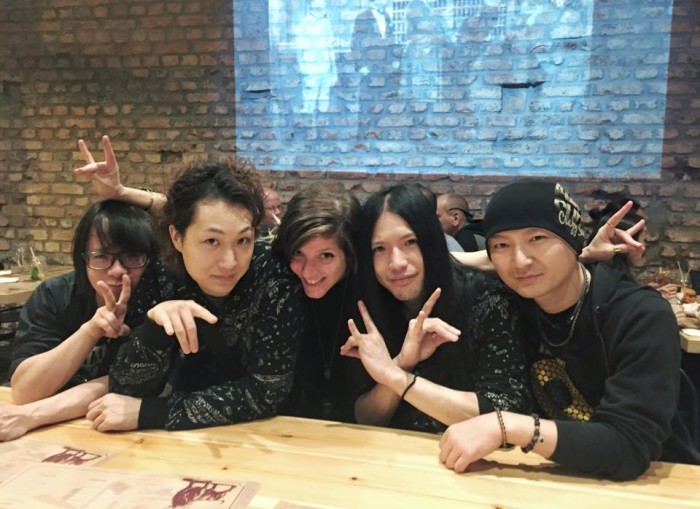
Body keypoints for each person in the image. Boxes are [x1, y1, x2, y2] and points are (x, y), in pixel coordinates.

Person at [439, 181, 700, 481]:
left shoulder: (639, 315)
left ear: (572, 241)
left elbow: (629, 446)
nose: (520, 261)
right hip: (556, 478)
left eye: (537, 238)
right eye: (501, 245)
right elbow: (437, 264)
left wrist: (510, 426)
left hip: (651, 486)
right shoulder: (511, 304)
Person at [85, 160, 306, 432]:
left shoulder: (273, 276)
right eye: (212, 241)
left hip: (277, 434)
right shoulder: (162, 276)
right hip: (185, 442)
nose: (229, 262)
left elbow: (266, 392)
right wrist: (154, 329)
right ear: (177, 238)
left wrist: (151, 413)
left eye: (243, 241)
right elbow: (124, 389)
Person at [340, 184, 531, 433]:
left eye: (410, 242)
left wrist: (396, 377)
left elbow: (506, 414)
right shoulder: (371, 307)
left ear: (432, 241)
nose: (396, 263)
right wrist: (402, 363)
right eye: (379, 249)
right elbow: (365, 419)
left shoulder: (486, 301)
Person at [0, 200, 165, 441]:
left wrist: (31, 416)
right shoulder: (54, 295)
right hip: (51, 430)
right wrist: (90, 330)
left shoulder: (156, 303)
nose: (117, 270)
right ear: (83, 259)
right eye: (101, 256)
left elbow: (126, 382)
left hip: (119, 431)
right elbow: (25, 391)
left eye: (132, 256)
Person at [272, 186, 364, 421]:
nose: (308, 272)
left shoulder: (370, 295)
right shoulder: (278, 289)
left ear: (350, 254)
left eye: (326, 255)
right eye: (298, 253)